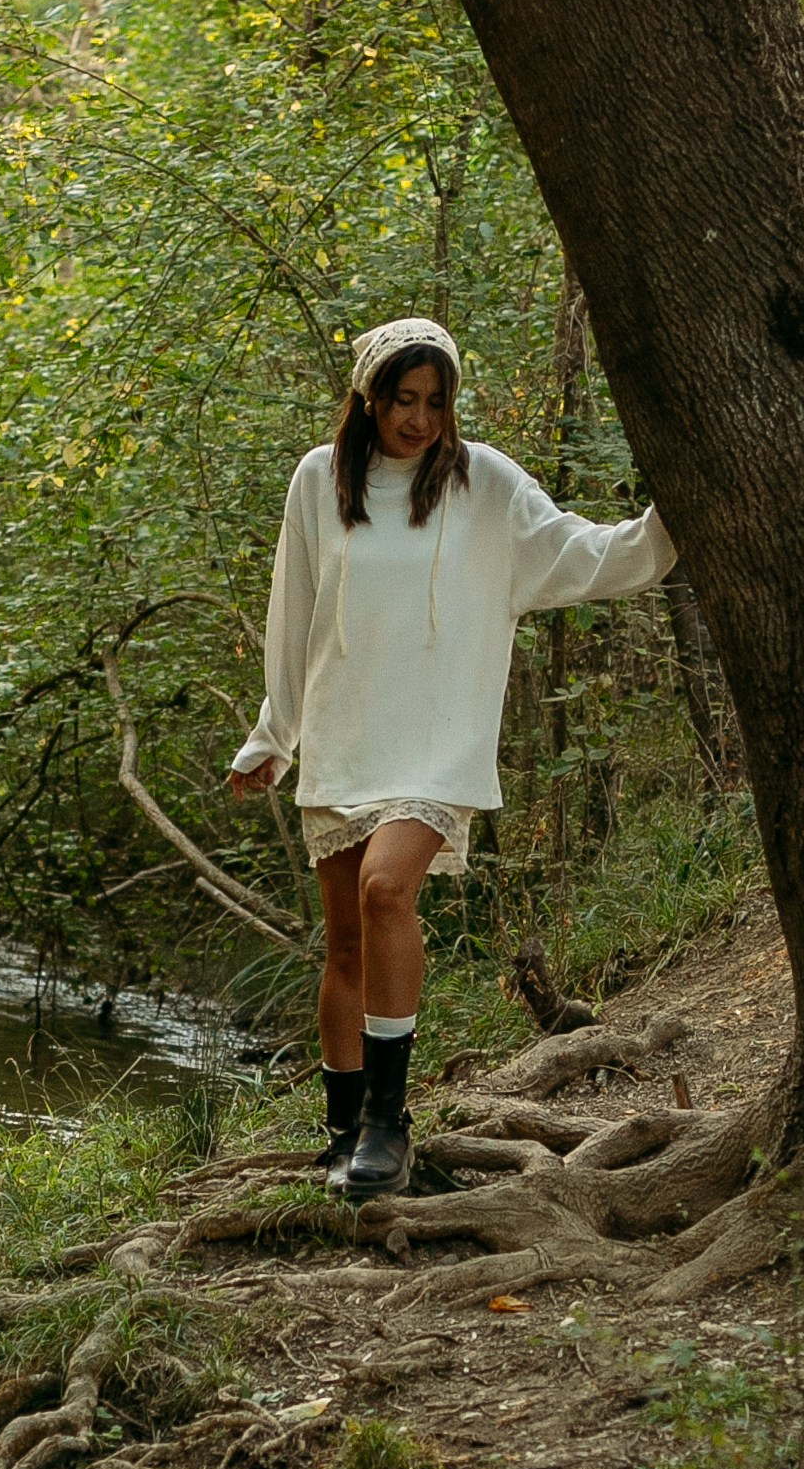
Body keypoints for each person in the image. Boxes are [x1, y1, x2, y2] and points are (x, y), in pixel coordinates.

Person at [228, 315, 677, 1203]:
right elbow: (293, 611)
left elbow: (580, 553)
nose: (419, 420)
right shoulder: (319, 480)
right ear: (369, 397)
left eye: (436, 402)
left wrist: (669, 521)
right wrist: (273, 736)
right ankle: (340, 1136)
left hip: (438, 743)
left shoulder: (484, 484)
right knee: (344, 946)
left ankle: (386, 1128)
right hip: (346, 734)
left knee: (385, 892)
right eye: (404, 399)